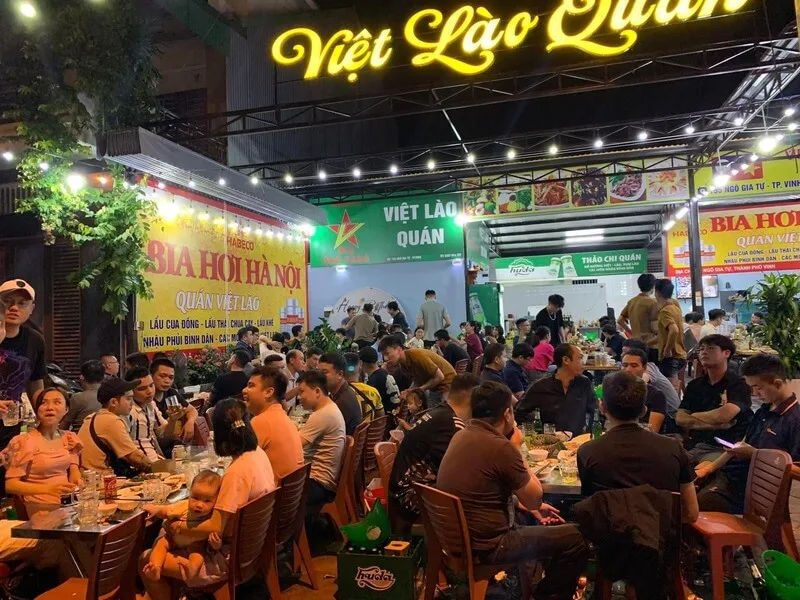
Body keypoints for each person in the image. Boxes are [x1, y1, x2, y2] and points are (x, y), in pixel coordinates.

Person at [437, 382, 589, 600]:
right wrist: (516, 448)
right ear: (507, 414)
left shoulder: (462, 435)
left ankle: (536, 587)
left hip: (459, 540)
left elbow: (486, 493)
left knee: (534, 520)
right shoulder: (500, 446)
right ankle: (546, 595)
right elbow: (535, 498)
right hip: (489, 546)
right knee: (576, 538)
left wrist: (525, 506)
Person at [140, 398, 276, 597]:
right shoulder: (258, 453)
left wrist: (179, 526)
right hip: (254, 548)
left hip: (228, 559)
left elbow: (215, 527)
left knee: (145, 558)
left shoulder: (236, 473)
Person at [577, 371, 698, 522]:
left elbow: (590, 507)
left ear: (602, 407)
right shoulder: (673, 448)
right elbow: (692, 513)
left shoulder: (587, 451)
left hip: (607, 535)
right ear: (644, 410)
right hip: (660, 535)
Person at [695, 354, 800, 513]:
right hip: (733, 475)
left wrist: (755, 455)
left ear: (777, 383)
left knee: (694, 502)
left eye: (758, 387)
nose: (755, 393)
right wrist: (711, 467)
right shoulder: (764, 410)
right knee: (687, 481)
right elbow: (743, 443)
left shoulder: (794, 420)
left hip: (754, 488)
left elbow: (794, 470)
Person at [389, 374, 480, 530]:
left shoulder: (438, 413)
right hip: (409, 500)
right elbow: (461, 474)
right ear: (470, 398)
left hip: (400, 493)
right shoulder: (452, 425)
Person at [677, 334, 752, 465]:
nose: (704, 352)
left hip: (726, 448)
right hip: (697, 444)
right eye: (701, 349)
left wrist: (694, 416)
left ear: (726, 353)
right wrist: (715, 425)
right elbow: (680, 419)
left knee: (701, 470)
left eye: (711, 348)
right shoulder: (695, 385)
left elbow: (723, 416)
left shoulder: (739, 384)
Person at [5, 388, 82, 515]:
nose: (49, 407)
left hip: (69, 506)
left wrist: (77, 482)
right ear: (37, 410)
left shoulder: (69, 437)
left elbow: (74, 472)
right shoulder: (24, 441)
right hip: (41, 511)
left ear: (66, 409)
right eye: (44, 403)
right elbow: (11, 485)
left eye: (57, 402)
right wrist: (49, 489)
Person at [143, 470, 223, 582]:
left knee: (197, 556)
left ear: (216, 501)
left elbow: (215, 538)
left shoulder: (213, 516)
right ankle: (155, 567)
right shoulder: (183, 506)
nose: (199, 505)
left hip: (196, 544)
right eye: (195, 497)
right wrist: (156, 510)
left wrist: (216, 544)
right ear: (190, 494)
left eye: (207, 501)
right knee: (161, 544)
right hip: (173, 538)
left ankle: (191, 572)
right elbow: (166, 511)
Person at [0, 281, 45, 464]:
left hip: (12, 423)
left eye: (21, 303)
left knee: (10, 472)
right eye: (8, 301)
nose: (14, 308)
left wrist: (43, 412)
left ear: (31, 309)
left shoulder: (35, 340)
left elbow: (36, 381)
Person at [296, 370, 346, 519]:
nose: (299, 397)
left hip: (318, 483)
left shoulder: (323, 414)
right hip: (322, 479)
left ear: (317, 391)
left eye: (302, 392)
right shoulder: (328, 409)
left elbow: (295, 447)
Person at [516, 344, 596, 437]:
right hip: (550, 442)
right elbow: (519, 412)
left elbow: (595, 411)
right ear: (566, 360)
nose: (583, 362)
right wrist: (536, 433)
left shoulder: (584, 383)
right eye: (580, 358)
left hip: (578, 441)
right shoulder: (541, 386)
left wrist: (590, 434)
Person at [242, 366, 304, 484]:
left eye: (251, 386)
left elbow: (241, 464)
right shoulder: (282, 416)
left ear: (268, 392)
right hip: (290, 492)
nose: (244, 390)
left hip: (273, 493)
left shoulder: (261, 421)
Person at [78, 377, 153, 474]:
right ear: (113, 402)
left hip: (88, 476)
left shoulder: (94, 417)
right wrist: (157, 469)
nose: (132, 403)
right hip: (99, 478)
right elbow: (135, 457)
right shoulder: (111, 421)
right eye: (128, 398)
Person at [379, 336, 456, 409]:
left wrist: (420, 389)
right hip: (435, 387)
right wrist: (409, 391)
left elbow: (440, 377)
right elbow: (417, 379)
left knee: (444, 411)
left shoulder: (416, 356)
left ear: (399, 349)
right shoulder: (402, 364)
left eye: (387, 353)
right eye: (383, 355)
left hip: (448, 382)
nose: (385, 358)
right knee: (431, 413)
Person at [126, 367, 183, 462]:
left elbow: (164, 434)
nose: (150, 391)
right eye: (142, 388)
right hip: (141, 464)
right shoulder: (128, 411)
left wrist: (172, 420)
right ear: (130, 392)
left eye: (151, 385)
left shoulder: (151, 404)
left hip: (157, 459)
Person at [622, 338, 680, 417]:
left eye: (625, 352)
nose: (622, 354)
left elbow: (643, 380)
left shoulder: (649, 367)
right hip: (653, 410)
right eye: (622, 351)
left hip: (670, 414)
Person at [620, 348, 667, 433]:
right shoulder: (616, 390)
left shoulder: (656, 395)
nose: (628, 369)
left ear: (644, 368)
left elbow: (653, 431)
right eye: (625, 365)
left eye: (634, 366)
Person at [150, 358, 197, 443]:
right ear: (151, 376)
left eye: (171, 377)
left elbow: (192, 410)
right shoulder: (148, 400)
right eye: (162, 376)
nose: (167, 381)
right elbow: (162, 436)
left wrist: (190, 422)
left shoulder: (171, 393)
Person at [617, 273, 659, 363]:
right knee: (651, 369)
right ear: (653, 286)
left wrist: (631, 332)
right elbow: (654, 328)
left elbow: (620, 320)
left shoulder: (632, 301)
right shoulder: (653, 303)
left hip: (635, 343)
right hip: (650, 345)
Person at [318, 352, 362, 435]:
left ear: (340, 375)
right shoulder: (341, 392)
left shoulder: (342, 402)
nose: (319, 377)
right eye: (318, 372)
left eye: (324, 372)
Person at [654, 279, 686, 394]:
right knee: (674, 390)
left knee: (669, 392)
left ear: (657, 293)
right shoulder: (676, 308)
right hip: (680, 354)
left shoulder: (665, 311)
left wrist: (667, 350)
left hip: (671, 357)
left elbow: (674, 330)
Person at [60, 359, 104, 432]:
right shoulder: (110, 396)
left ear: (82, 377)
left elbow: (64, 425)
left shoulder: (77, 398)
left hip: (80, 437)